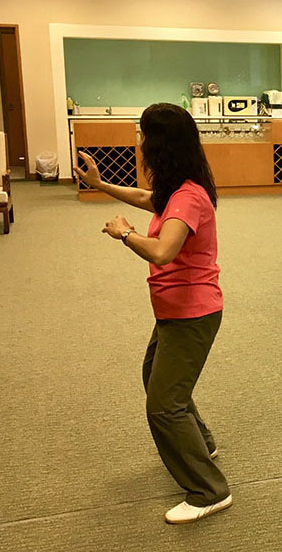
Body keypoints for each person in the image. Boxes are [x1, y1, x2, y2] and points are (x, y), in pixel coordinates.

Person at [74, 103, 232, 524]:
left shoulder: (188, 195)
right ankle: (202, 442)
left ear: (158, 142)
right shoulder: (179, 187)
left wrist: (124, 232)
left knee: (163, 405)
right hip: (174, 310)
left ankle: (208, 490)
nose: (140, 142)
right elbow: (149, 199)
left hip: (191, 313)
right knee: (155, 378)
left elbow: (163, 251)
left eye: (143, 135)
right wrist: (101, 184)